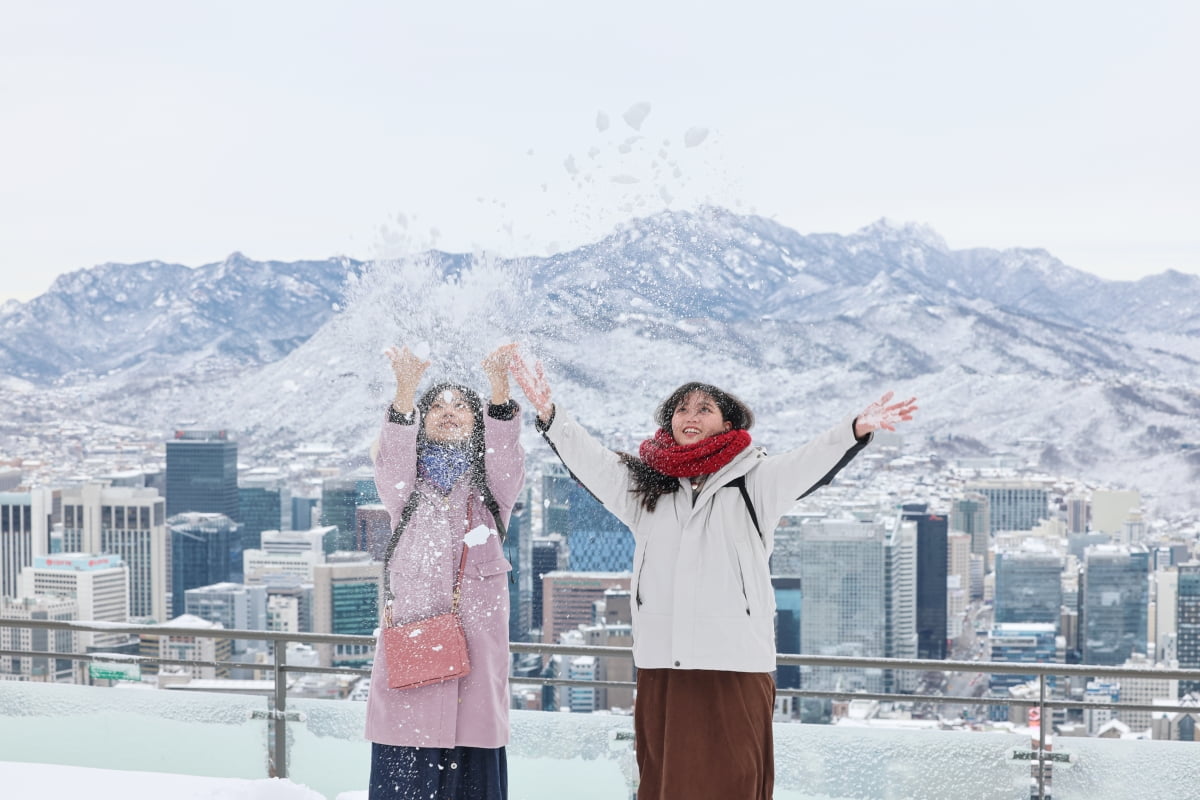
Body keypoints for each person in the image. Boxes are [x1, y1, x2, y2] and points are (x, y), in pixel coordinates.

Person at [508, 352, 916, 800]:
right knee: (664, 783)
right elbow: (593, 462)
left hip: (735, 663)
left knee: (734, 781)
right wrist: (549, 414)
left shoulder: (754, 482)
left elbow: (809, 461)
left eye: (705, 409)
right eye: (682, 408)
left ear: (727, 424)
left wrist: (855, 428)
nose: (691, 415)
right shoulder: (647, 489)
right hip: (663, 662)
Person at [366, 343, 525, 800]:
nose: (448, 412)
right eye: (436, 405)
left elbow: (505, 452)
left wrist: (498, 386)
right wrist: (405, 390)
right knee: (405, 764)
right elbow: (393, 457)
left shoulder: (491, 492)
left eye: (460, 406)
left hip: (475, 652)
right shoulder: (406, 492)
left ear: (477, 422)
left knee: (472, 759)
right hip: (415, 648)